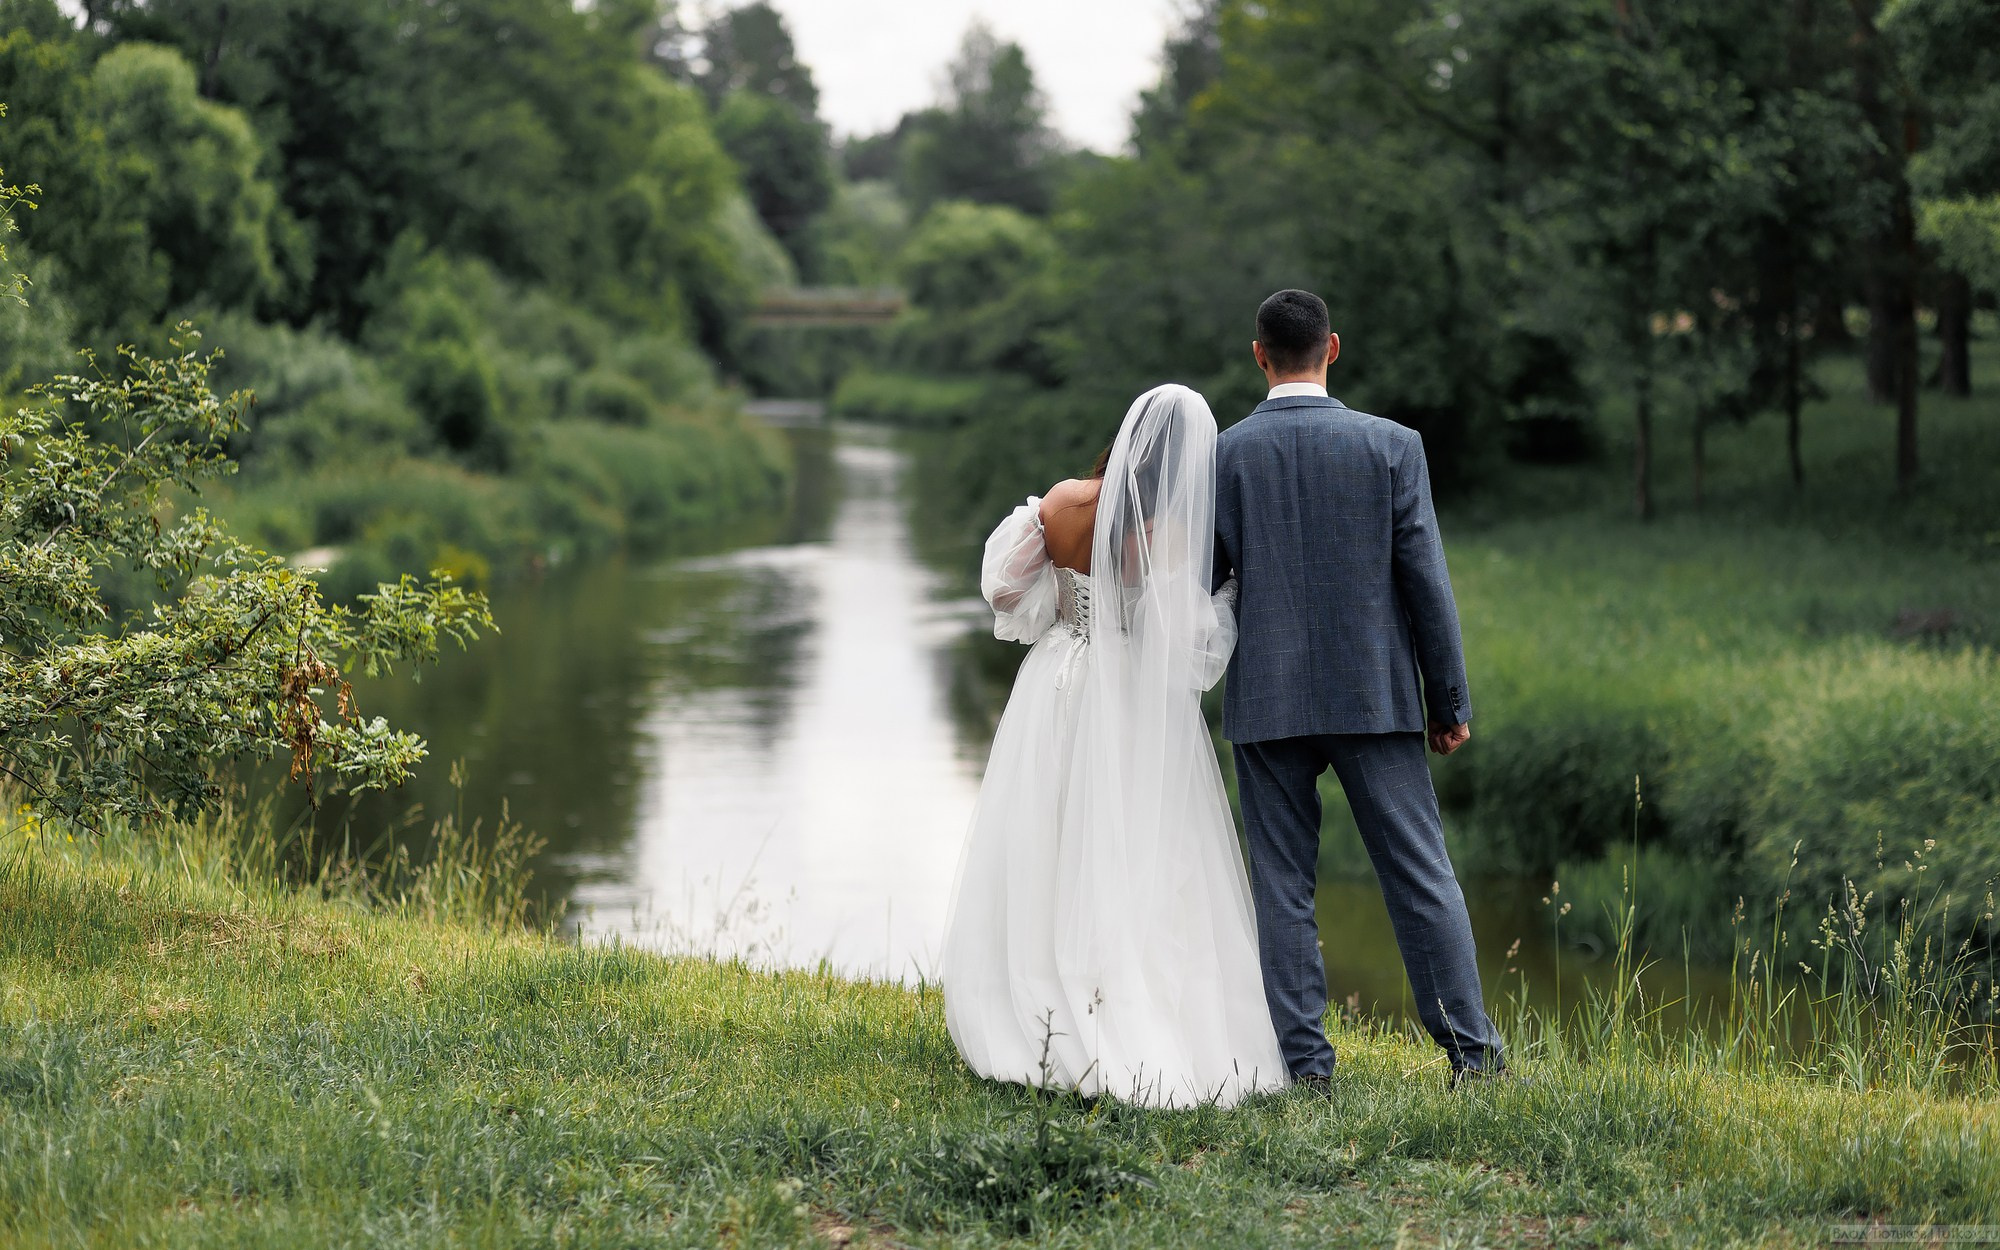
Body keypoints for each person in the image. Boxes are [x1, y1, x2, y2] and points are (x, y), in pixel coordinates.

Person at [940, 384, 1287, 1108]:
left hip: (1056, 682)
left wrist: (1063, 603)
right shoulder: (1167, 535)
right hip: (1126, 697)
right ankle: (1114, 996)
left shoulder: (1064, 503)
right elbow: (1187, 646)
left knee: (1046, 836)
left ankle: (1031, 998)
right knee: (1131, 844)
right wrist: (1229, 595)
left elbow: (1004, 593)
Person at [1213, 288, 1506, 1092]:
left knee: (1281, 885)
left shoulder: (1225, 455)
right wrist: (1448, 702)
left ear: (1259, 354)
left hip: (1266, 699)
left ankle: (1308, 1070)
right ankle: (1473, 1061)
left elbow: (1206, 583)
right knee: (1420, 875)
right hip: (1375, 695)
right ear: (1332, 348)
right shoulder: (1392, 446)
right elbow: (1426, 583)